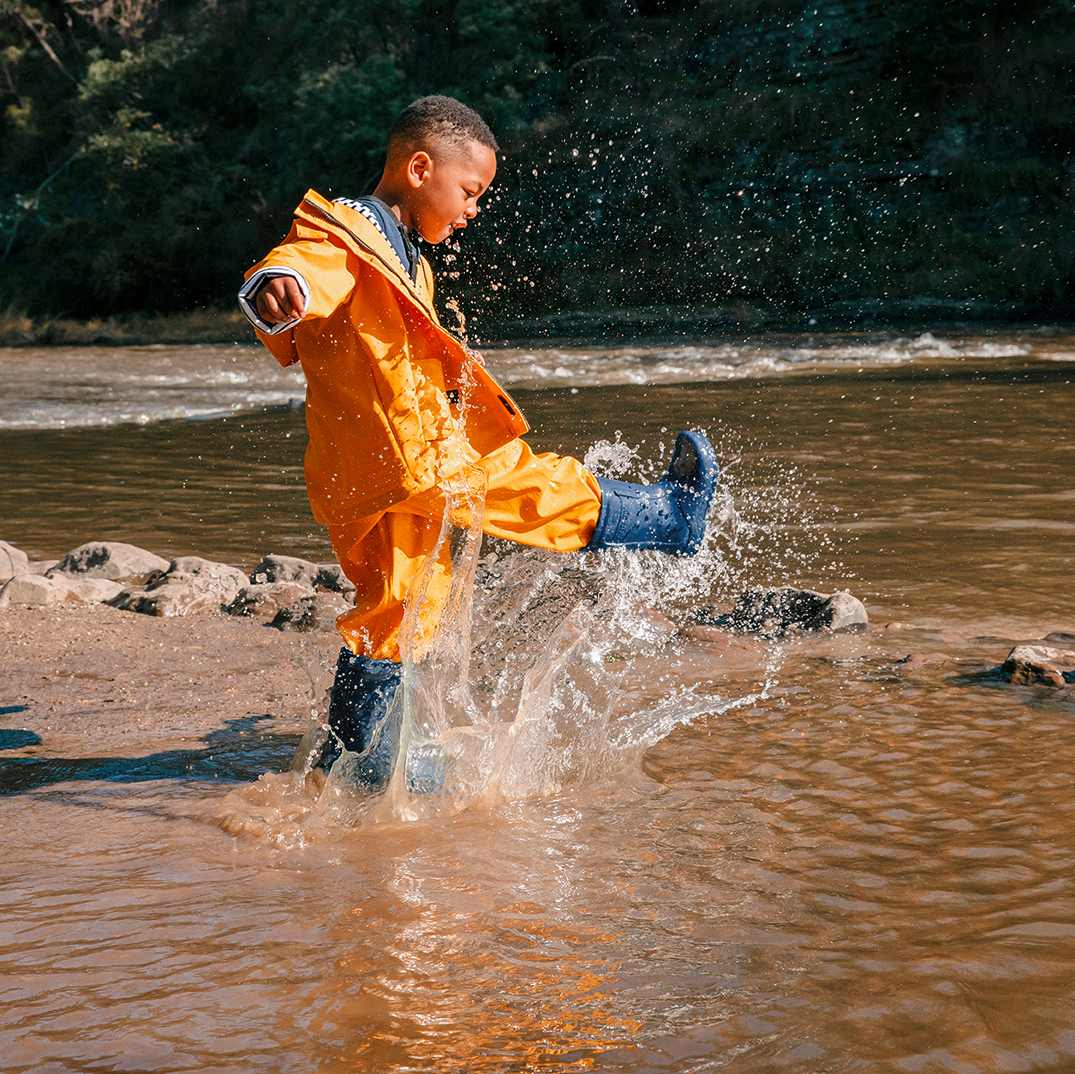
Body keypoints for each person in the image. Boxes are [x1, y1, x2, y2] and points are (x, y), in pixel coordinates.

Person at [238, 95, 719, 792]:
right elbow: (301, 266)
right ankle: (668, 516)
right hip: (414, 462)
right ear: (419, 167)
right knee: (530, 485)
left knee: (395, 611)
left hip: (372, 471)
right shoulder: (350, 235)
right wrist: (273, 287)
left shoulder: (406, 256)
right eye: (470, 191)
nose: (472, 209)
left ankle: (354, 765)